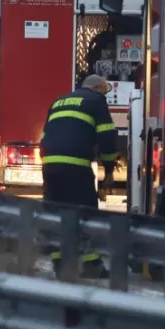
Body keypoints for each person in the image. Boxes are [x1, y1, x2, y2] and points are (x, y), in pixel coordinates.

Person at [39, 74, 118, 278]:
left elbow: (45, 136)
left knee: (56, 214)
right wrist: (109, 169)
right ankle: (91, 265)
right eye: (105, 92)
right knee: (86, 214)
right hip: (75, 166)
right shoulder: (96, 101)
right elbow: (107, 136)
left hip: (50, 166)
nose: (105, 97)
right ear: (96, 88)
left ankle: (59, 263)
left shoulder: (58, 101)